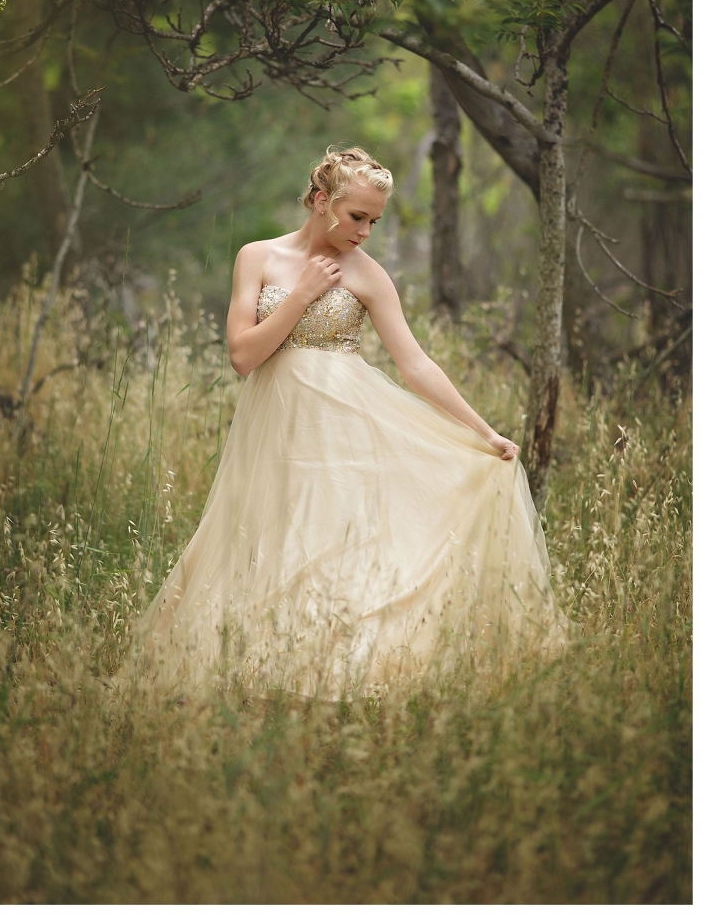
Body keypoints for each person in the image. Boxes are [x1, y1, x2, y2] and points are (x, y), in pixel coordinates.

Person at [138, 146, 567, 697]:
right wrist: (302, 295)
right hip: (276, 428)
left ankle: (335, 676)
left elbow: (414, 363)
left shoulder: (369, 275)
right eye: (357, 216)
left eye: (374, 220)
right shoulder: (258, 256)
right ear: (322, 201)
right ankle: (253, 671)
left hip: (346, 429)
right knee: (268, 539)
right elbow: (244, 357)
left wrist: (484, 432)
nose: (365, 232)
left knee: (331, 546)